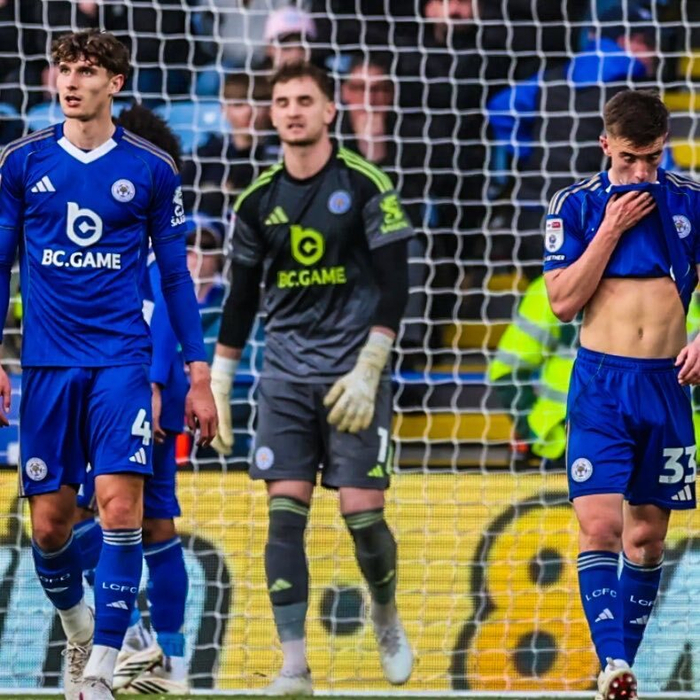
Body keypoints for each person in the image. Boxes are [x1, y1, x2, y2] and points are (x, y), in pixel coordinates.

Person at [0, 29, 217, 700]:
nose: (72, 81)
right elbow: (0, 263)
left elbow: (175, 280)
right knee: (49, 527)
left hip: (121, 362)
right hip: (47, 365)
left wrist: (199, 373)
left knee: (124, 511)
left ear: (114, 84)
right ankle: (82, 631)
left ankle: (102, 670)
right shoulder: (21, 162)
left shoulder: (151, 168)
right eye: (64, 69)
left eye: (88, 71)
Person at [209, 61, 414, 694]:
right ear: (271, 115)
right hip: (285, 379)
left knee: (362, 515)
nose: (292, 111)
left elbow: (396, 285)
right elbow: (241, 298)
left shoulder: (366, 184)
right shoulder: (255, 200)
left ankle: (385, 614)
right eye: (282, 102)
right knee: (284, 515)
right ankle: (294, 666)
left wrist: (370, 367)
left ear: (330, 111)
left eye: (305, 100)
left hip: (354, 375)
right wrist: (220, 381)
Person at [544, 89, 700, 700]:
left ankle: (618, 675)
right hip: (601, 387)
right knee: (602, 527)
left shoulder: (689, 202)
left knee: (647, 540)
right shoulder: (575, 205)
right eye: (629, 158)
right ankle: (611, 661)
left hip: (666, 385)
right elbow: (562, 303)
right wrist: (609, 229)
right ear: (605, 144)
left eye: (652, 159)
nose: (640, 172)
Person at [72, 104, 202, 695]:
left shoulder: (137, 229)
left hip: (133, 386)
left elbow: (158, 309)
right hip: (153, 386)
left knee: (89, 514)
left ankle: (132, 641)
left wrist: (148, 382)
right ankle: (170, 664)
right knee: (155, 522)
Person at [487, 3, 658, 276]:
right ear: (627, 40)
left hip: (534, 215)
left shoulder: (552, 79)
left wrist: (531, 151)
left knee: (542, 296)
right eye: (648, 43)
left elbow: (500, 107)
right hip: (592, 222)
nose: (655, 54)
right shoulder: (634, 96)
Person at [488, 275, 578, 470]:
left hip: (637, 435)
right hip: (565, 441)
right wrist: (534, 428)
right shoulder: (552, 286)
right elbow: (506, 369)